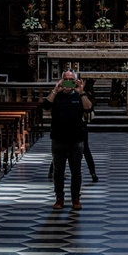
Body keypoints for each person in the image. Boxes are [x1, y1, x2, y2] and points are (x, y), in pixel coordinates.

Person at [46, 69, 92, 209]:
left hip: (76, 139)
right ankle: (59, 197)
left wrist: (81, 91)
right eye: (65, 79)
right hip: (58, 138)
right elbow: (46, 106)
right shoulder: (56, 96)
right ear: (61, 81)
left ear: (76, 81)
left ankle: (75, 198)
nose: (68, 83)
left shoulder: (80, 95)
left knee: (76, 171)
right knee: (58, 171)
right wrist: (55, 90)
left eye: (71, 80)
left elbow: (89, 109)